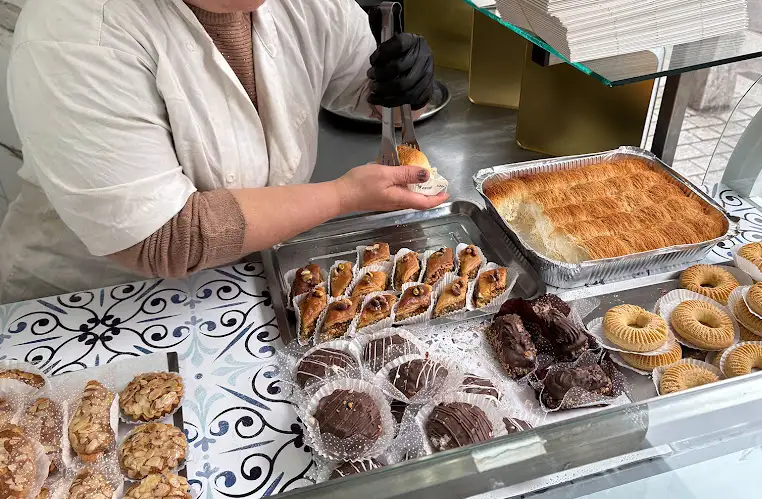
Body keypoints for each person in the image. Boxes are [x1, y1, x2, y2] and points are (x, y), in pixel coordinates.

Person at [0, 0, 447, 303]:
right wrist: (343, 196)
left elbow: (356, 90)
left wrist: (401, 87)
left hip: (241, 286)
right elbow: (165, 238)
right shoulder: (75, 28)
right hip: (96, 303)